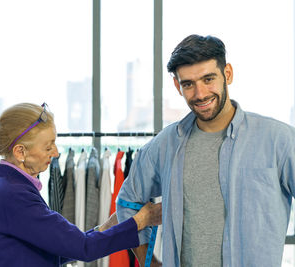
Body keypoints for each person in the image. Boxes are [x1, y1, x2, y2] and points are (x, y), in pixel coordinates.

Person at [116, 34, 295, 267]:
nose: (200, 94)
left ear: (227, 74)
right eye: (188, 84)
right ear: (177, 86)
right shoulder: (165, 145)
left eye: (208, 79)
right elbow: (128, 200)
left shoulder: (278, 139)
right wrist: (148, 261)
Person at [0, 102, 162, 267]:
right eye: (48, 147)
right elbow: (84, 248)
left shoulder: (7, 187)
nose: (56, 153)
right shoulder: (13, 195)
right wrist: (140, 221)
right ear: (20, 152)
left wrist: (107, 227)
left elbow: (55, 250)